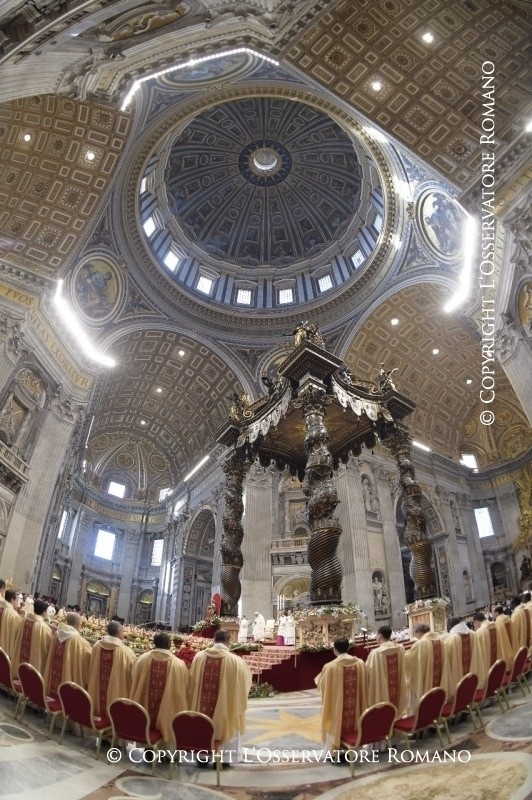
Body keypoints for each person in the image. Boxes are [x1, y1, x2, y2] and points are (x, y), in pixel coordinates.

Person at [189, 629, 252, 763]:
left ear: (214, 639)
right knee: (228, 723)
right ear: (228, 641)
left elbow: (192, 682)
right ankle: (224, 759)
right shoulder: (235, 661)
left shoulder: (199, 657)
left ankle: (202, 757)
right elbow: (243, 685)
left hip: (202, 708)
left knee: (202, 724)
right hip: (225, 709)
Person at [130, 631, 189, 744]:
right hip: (168, 711)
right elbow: (185, 687)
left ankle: (148, 749)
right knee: (167, 728)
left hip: (145, 708)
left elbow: (133, 676)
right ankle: (165, 750)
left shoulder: (142, 659)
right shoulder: (179, 664)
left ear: (155, 643)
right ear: (169, 644)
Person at [315, 637, 368, 751]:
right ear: (348, 648)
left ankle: (334, 750)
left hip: (337, 708)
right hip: (355, 707)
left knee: (334, 721)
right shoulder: (360, 663)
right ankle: (353, 748)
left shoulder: (330, 667)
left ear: (335, 649)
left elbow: (322, 684)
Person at [87, 621, 136, 715]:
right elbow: (134, 672)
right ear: (119, 633)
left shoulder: (97, 645)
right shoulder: (126, 652)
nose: (123, 634)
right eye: (123, 631)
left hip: (96, 691)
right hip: (115, 693)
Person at [405, 623, 453, 711]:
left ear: (419, 632)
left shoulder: (421, 643)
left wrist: (401, 654)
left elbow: (408, 660)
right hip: (437, 677)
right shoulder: (439, 640)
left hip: (426, 680)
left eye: (415, 633)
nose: (415, 636)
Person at [43, 611, 92, 697]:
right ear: (78, 625)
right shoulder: (77, 640)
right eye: (80, 624)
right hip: (67, 676)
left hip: (54, 676)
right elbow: (88, 658)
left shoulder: (57, 633)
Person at [366, 625, 407, 718]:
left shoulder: (376, 653)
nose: (375, 637)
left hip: (382, 689)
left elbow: (367, 672)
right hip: (397, 685)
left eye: (376, 634)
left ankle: (385, 720)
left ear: (380, 635)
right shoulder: (400, 648)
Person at [11, 598, 52, 677]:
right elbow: (47, 648)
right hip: (34, 661)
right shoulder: (43, 627)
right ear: (44, 612)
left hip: (21, 657)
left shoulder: (25, 620)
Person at [444, 616, 482, 690]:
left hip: (458, 676)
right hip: (473, 675)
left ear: (451, 626)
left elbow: (448, 660)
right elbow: (478, 654)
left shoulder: (451, 639)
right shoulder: (472, 634)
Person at [473, 611, 512, 680]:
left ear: (477, 621)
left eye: (474, 623)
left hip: (487, 666)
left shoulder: (479, 632)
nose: (474, 625)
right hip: (499, 663)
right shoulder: (495, 625)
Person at [0, 588, 22, 659]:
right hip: (4, 651)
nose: (17, 603)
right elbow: (16, 636)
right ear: (12, 600)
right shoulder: (14, 615)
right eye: (17, 600)